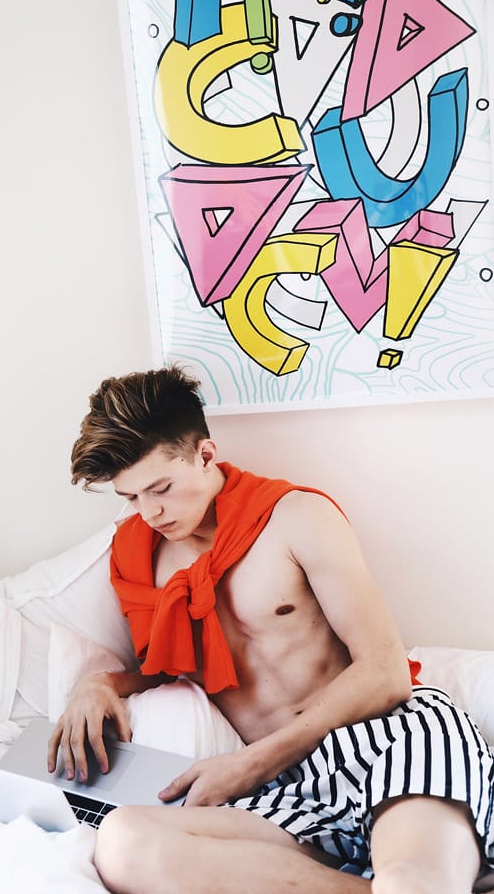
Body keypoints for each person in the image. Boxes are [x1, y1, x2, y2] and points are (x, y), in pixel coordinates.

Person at [48, 365, 494, 894]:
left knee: (411, 880)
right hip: (285, 786)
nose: (149, 512)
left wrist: (247, 764)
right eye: (130, 498)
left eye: (160, 488)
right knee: (123, 843)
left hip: (387, 736)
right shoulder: (136, 555)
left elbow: (386, 672)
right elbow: (169, 664)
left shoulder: (297, 516)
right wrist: (98, 684)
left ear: (205, 455)